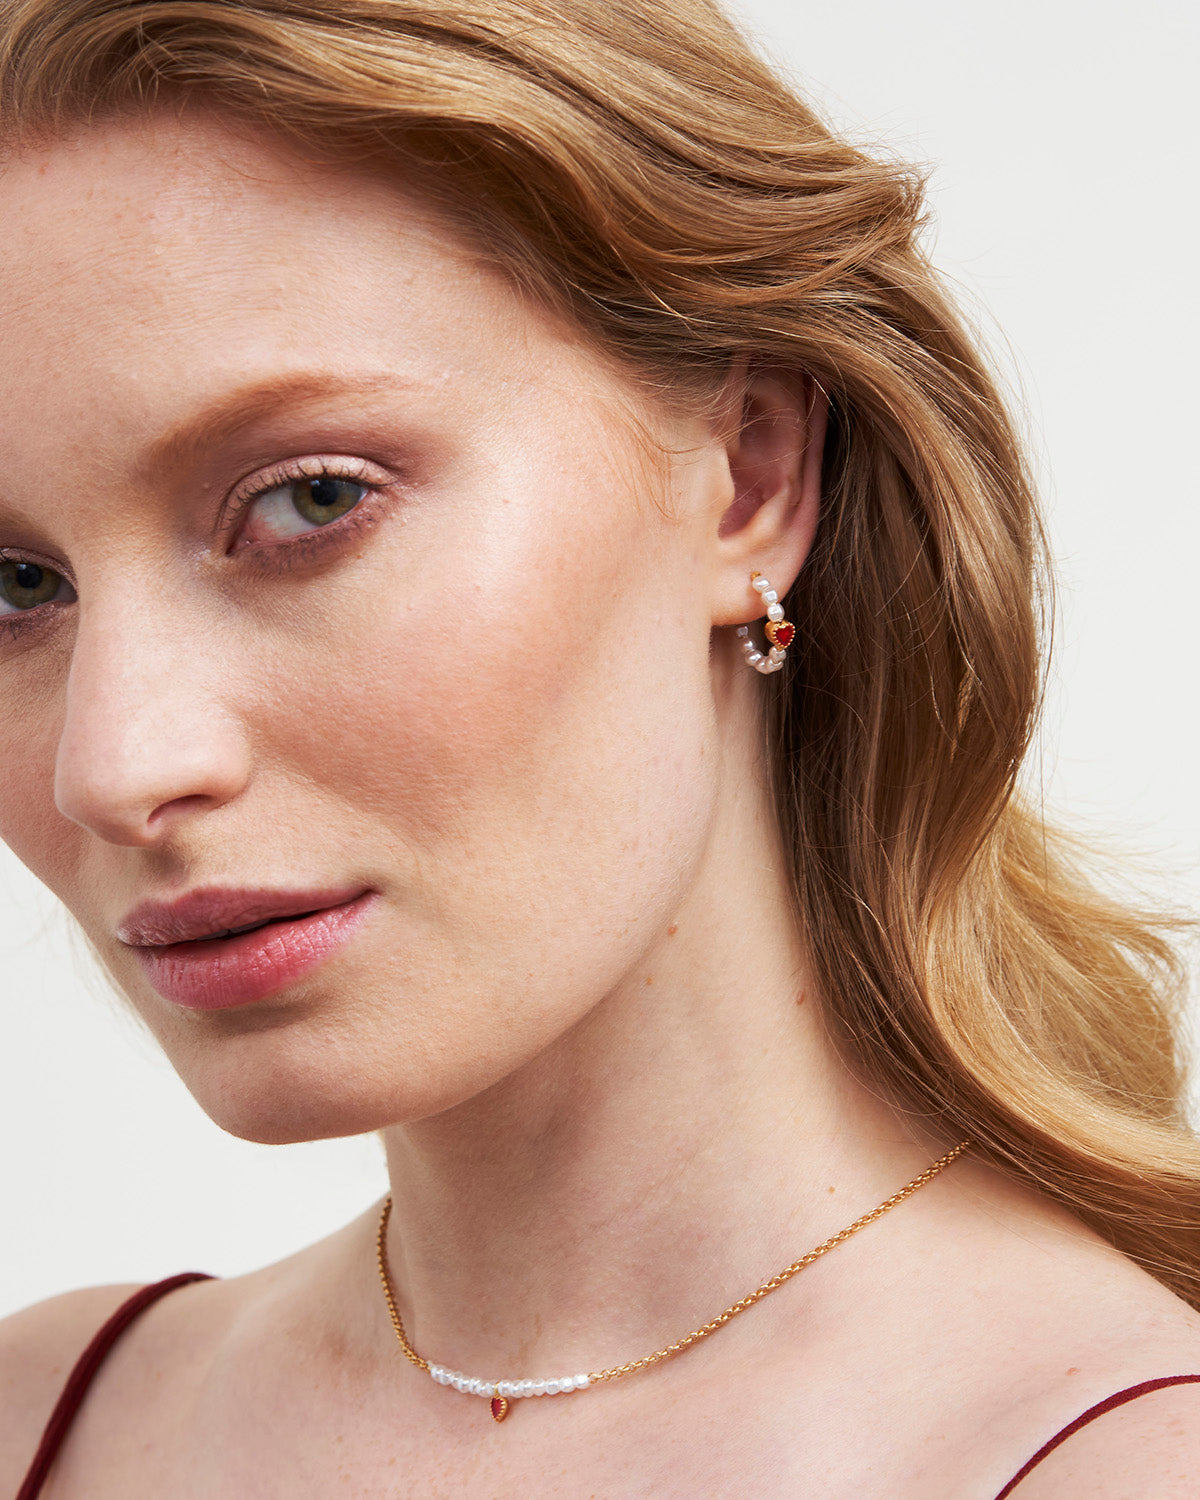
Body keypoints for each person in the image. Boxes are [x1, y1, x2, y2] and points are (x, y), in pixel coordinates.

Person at [0, 0, 1198, 1494]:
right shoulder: (42, 1423)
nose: (110, 766)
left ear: (749, 474)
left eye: (310, 501)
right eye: (16, 587)